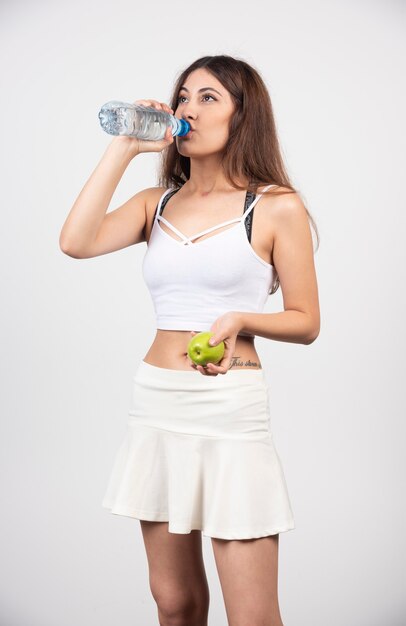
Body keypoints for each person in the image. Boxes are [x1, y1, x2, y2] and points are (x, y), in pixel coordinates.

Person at [60, 55, 320, 626]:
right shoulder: (156, 206)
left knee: (251, 615)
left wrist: (239, 320)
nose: (187, 109)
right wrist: (124, 147)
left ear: (242, 117)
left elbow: (305, 320)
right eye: (182, 96)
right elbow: (75, 242)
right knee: (175, 604)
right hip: (156, 405)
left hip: (229, 410)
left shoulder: (275, 206)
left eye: (208, 98)